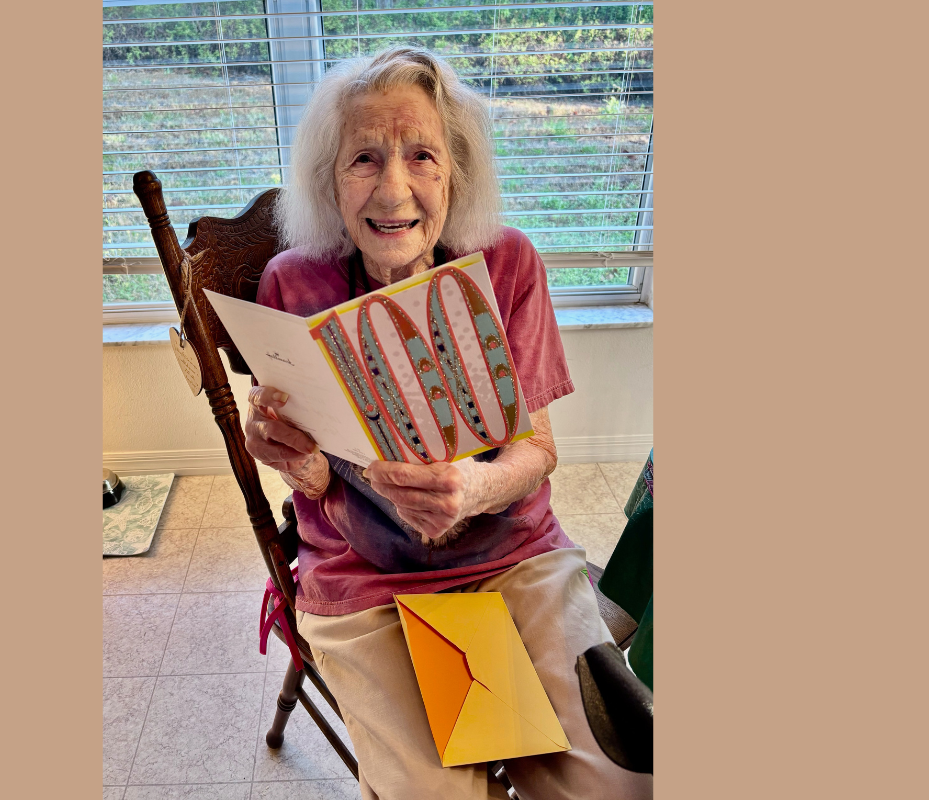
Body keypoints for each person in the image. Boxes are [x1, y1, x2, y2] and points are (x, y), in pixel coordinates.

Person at [244, 46, 652, 800]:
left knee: (614, 783)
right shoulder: (292, 283)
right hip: (367, 579)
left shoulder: (507, 262)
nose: (393, 189)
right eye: (364, 158)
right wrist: (289, 456)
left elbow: (538, 450)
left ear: (456, 171)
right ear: (330, 180)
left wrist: (475, 489)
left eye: (422, 155)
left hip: (515, 558)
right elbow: (317, 481)